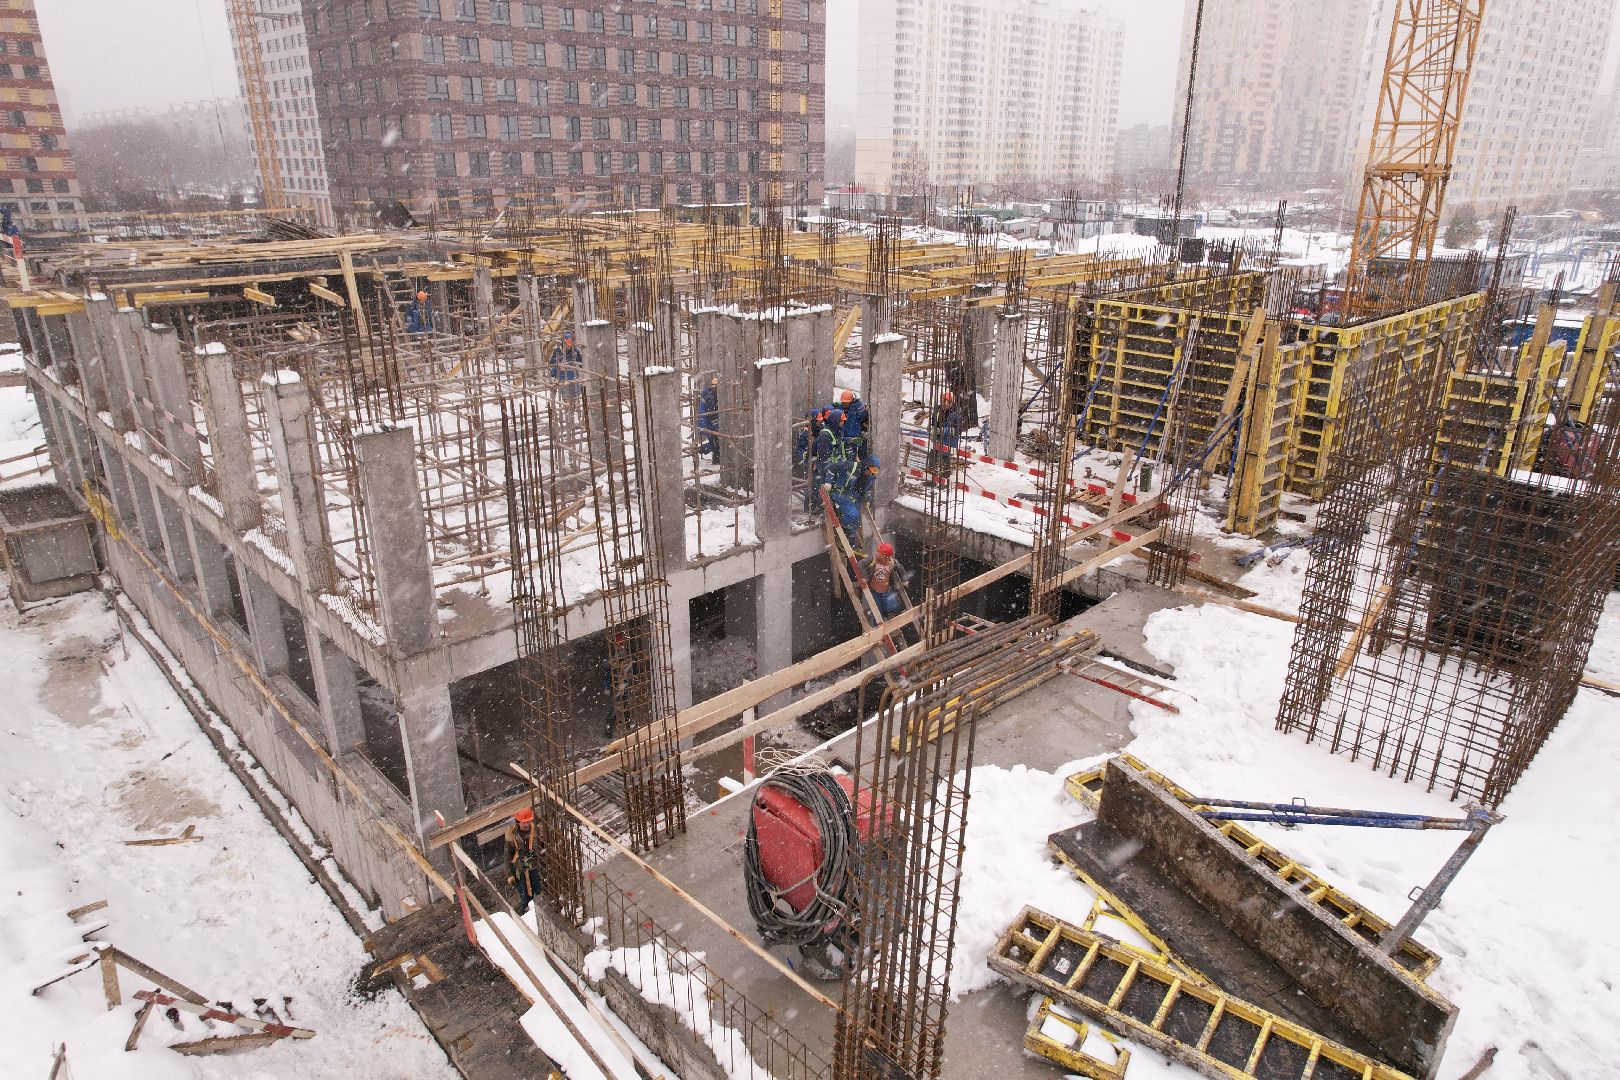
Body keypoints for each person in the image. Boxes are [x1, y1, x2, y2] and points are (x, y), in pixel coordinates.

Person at [505, 805, 544, 916]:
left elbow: (546, 848)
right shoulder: (511, 834)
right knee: (525, 898)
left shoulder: (537, 830)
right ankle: (525, 917)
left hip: (536, 868)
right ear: (518, 821)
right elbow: (507, 855)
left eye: (528, 821)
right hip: (521, 870)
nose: (526, 824)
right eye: (524, 822)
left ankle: (541, 914)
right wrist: (510, 874)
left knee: (541, 894)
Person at [856, 542, 908, 618]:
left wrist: (904, 581)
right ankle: (874, 616)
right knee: (877, 612)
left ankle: (890, 615)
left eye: (880, 553)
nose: (877, 554)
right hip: (874, 591)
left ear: (886, 556)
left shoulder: (892, 563)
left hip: (887, 590)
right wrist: (865, 577)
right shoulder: (873, 559)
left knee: (892, 606)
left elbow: (901, 570)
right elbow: (860, 564)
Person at [927, 389, 962, 482]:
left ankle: (945, 480)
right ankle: (931, 479)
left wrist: (943, 430)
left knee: (944, 460)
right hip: (938, 439)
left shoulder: (956, 413)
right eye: (943, 401)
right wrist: (933, 430)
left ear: (952, 403)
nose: (945, 404)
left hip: (948, 441)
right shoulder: (938, 410)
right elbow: (934, 422)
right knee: (932, 457)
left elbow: (957, 430)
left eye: (948, 402)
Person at [697, 376, 720, 462]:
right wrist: (716, 426)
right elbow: (712, 414)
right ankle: (700, 450)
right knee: (715, 443)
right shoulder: (710, 398)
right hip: (706, 423)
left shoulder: (708, 393)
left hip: (704, 421)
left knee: (715, 441)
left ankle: (703, 450)